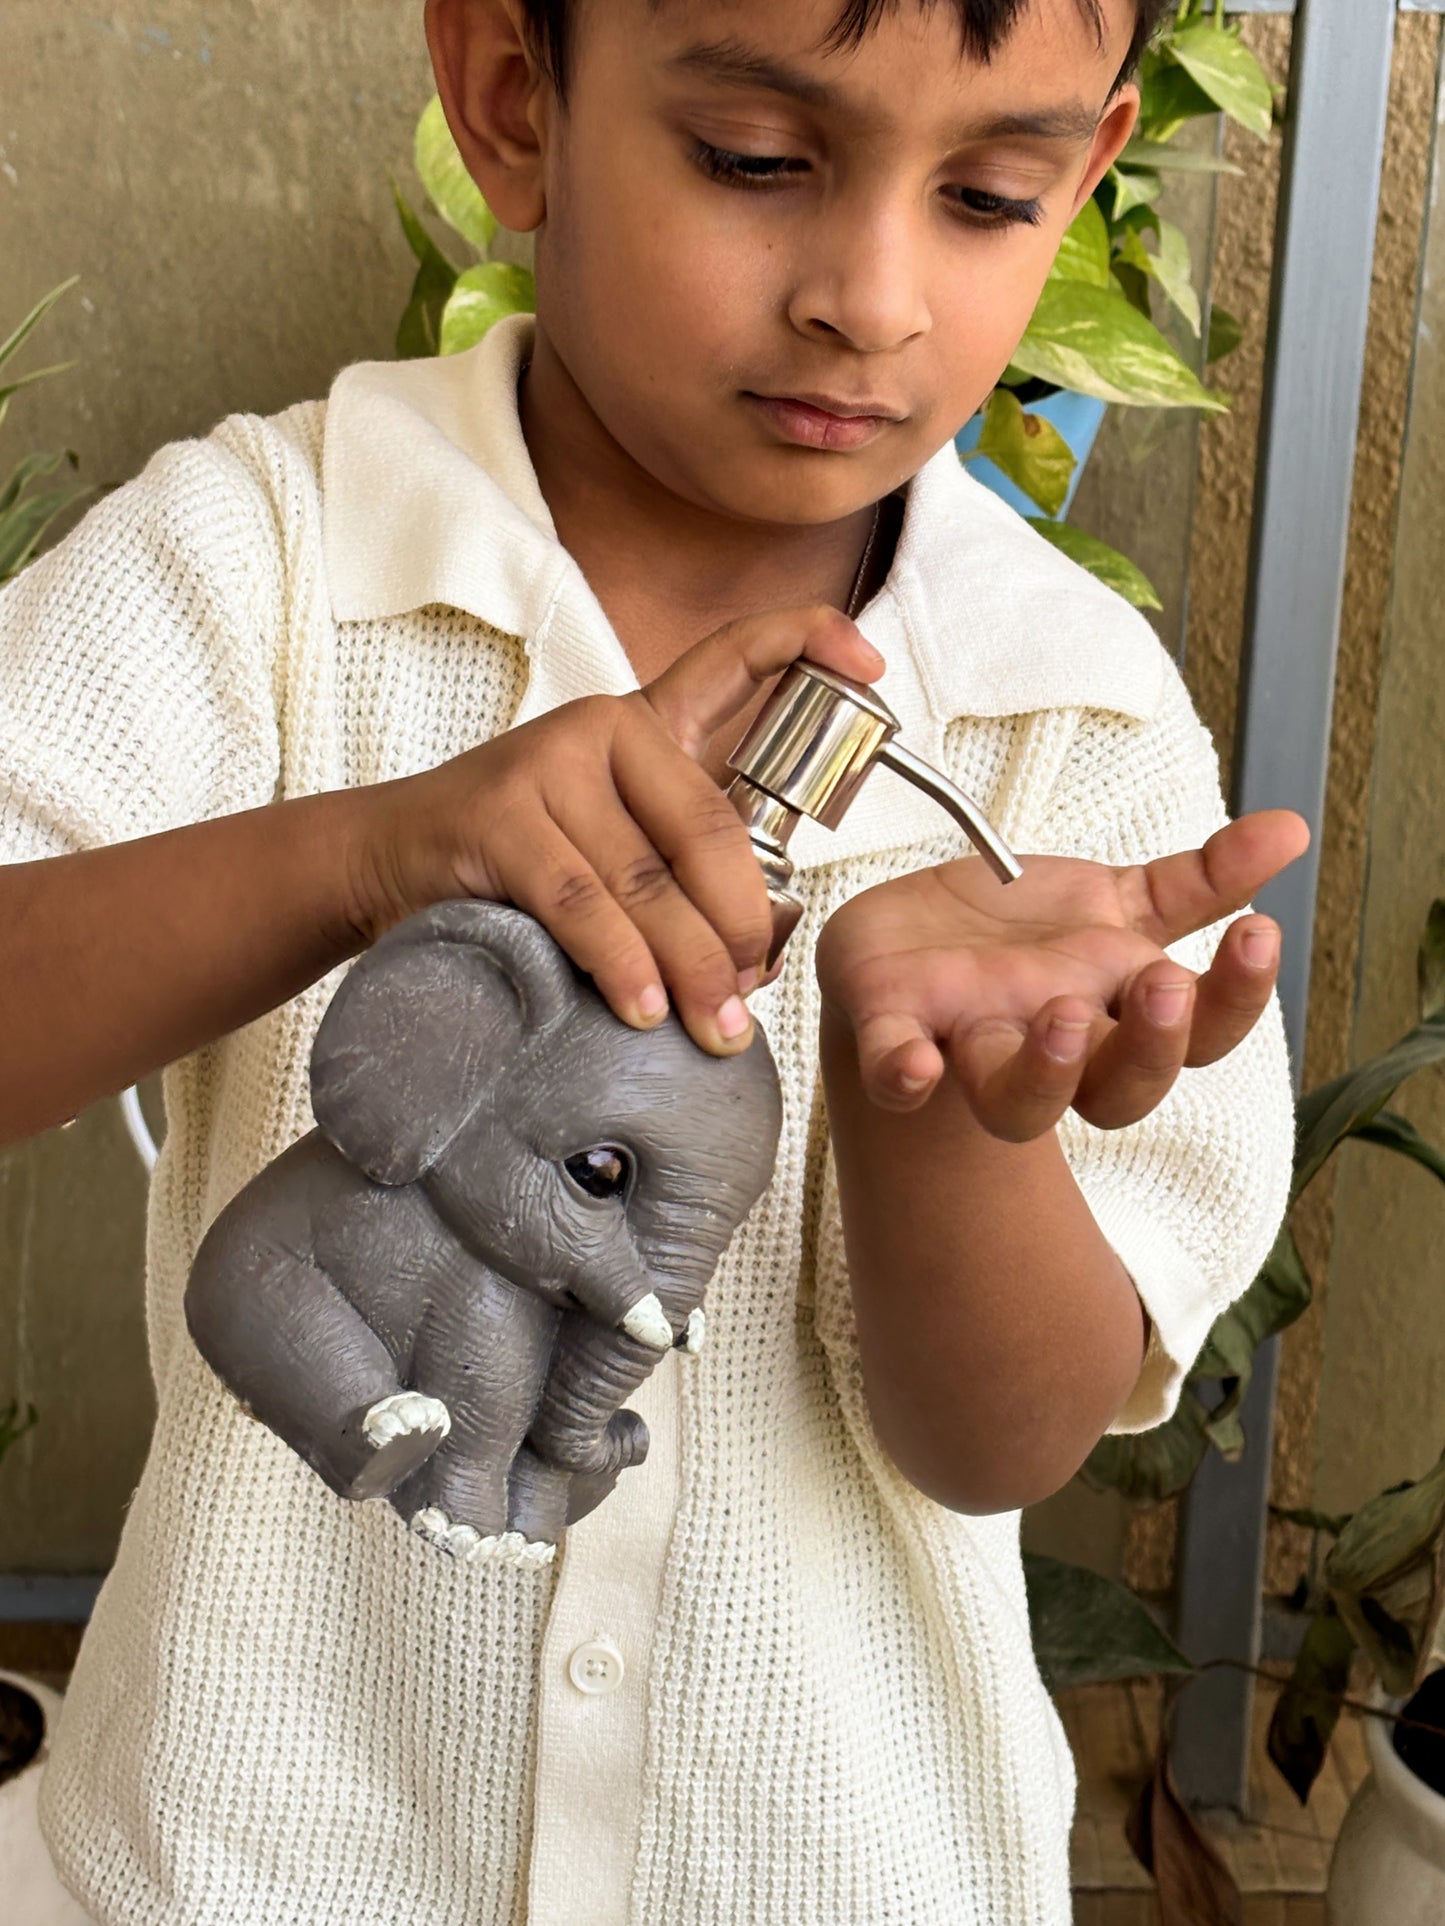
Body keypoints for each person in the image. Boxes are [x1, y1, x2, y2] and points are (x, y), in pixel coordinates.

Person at [0, 0, 1307, 1919]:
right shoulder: (264, 561)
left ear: (1088, 171)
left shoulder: (1071, 729)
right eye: (757, 160)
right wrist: (365, 852)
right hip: (261, 1855)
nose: (870, 300)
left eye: (986, 194)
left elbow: (1006, 1444)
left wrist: (938, 1119)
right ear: (510, 97)